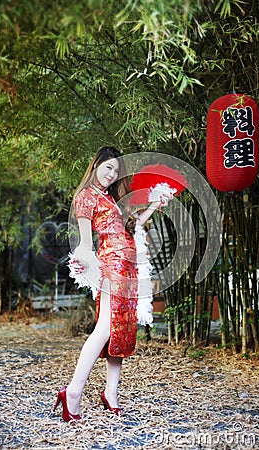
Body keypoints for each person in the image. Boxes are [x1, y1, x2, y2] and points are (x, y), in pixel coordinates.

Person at [53, 146, 171, 421]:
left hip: (130, 266)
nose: (111, 174)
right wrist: (82, 262)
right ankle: (72, 391)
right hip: (112, 266)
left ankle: (111, 393)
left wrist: (155, 204)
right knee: (105, 329)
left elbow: (133, 227)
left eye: (116, 171)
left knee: (122, 330)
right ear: (96, 164)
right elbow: (84, 241)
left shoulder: (112, 199)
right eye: (108, 167)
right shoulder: (86, 196)